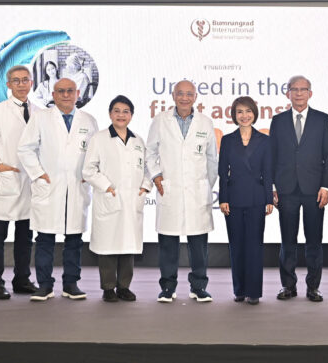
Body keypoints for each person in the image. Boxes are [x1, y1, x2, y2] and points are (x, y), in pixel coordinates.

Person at [17, 78, 98, 301]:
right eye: (60, 91)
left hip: (77, 186)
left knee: (74, 240)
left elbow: (96, 153)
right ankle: (44, 285)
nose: (65, 95)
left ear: (78, 93)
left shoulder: (89, 121)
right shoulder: (41, 118)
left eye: (70, 91)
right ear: (53, 95)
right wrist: (38, 173)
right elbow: (25, 149)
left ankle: (71, 284)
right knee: (45, 238)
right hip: (49, 185)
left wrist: (89, 173)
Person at [146, 80, 218, 303]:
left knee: (199, 245)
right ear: (173, 95)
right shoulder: (160, 121)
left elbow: (212, 159)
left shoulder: (205, 122)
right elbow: (150, 152)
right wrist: (156, 175)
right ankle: (167, 288)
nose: (184, 98)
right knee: (168, 244)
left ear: (195, 97)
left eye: (189, 94)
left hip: (197, 191)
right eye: (180, 93)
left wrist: (205, 184)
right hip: (170, 189)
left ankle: (199, 287)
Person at [0, 65, 39, 300]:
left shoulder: (40, 112)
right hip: (6, 181)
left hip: (30, 184)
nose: (21, 84)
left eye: (25, 80)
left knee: (25, 237)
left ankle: (22, 280)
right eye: (16, 80)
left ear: (31, 82)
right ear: (8, 84)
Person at [82, 95, 152, 303]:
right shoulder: (99, 139)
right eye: (117, 111)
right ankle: (108, 288)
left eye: (125, 111)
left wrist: (145, 187)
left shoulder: (138, 141)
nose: (121, 115)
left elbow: (148, 169)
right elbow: (88, 170)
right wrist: (107, 186)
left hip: (132, 201)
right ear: (110, 114)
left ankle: (124, 287)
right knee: (108, 247)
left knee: (128, 246)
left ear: (131, 115)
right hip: (110, 198)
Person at [270, 75, 328, 302]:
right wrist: (272, 186)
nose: (298, 93)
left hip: (314, 189)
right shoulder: (278, 121)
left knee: (314, 241)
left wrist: (326, 186)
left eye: (303, 89)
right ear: (287, 93)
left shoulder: (322, 119)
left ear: (310, 93)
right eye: (294, 89)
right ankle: (288, 286)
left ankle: (313, 287)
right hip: (286, 188)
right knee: (288, 241)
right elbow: (272, 156)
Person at [218, 96, 274, 305]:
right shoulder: (227, 140)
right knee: (237, 246)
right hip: (233, 199)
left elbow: (268, 172)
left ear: (254, 114)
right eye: (240, 112)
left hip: (256, 198)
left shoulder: (265, 140)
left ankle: (254, 292)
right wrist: (223, 198)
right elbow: (222, 172)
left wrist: (269, 198)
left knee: (254, 246)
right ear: (234, 115)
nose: (244, 115)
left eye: (248, 111)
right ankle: (239, 290)